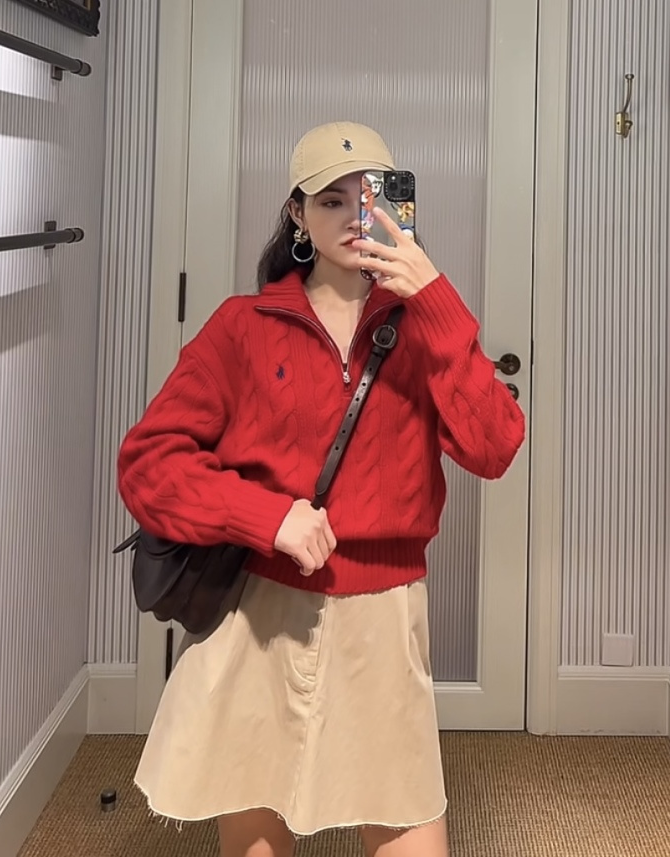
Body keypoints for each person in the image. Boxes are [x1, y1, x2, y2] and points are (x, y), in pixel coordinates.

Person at [116, 121, 526, 857]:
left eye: (369, 198)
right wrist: (267, 516)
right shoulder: (243, 327)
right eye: (331, 200)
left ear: (398, 209)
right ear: (297, 215)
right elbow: (148, 463)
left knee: (407, 824)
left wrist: (433, 298)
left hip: (384, 613)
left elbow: (494, 447)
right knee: (258, 819)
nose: (352, 216)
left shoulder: (424, 328)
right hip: (262, 611)